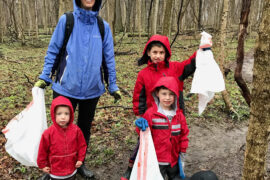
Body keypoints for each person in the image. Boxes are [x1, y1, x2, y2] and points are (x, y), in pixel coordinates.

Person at [35, 0, 121, 178]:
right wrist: (45, 76)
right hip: (66, 87)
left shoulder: (102, 27)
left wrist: (112, 84)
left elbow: (109, 58)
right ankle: (52, 167)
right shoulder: (66, 21)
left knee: (83, 130)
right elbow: (53, 50)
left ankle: (79, 163)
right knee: (59, 129)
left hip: (92, 90)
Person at [122, 34, 197, 179]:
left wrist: (201, 52)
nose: (158, 56)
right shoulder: (143, 74)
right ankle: (132, 166)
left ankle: (174, 167)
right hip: (151, 119)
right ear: (148, 52)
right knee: (143, 146)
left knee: (173, 143)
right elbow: (139, 97)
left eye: (161, 52)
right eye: (155, 52)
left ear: (166, 53)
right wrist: (139, 117)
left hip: (173, 116)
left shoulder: (175, 68)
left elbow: (189, 65)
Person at [135, 76, 189, 180]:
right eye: (164, 94)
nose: (167, 98)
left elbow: (184, 136)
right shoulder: (151, 114)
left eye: (171, 94)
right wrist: (140, 126)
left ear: (176, 96)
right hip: (156, 160)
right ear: (157, 94)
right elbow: (143, 134)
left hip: (173, 160)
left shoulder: (179, 116)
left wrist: (182, 156)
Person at [37, 96, 87, 180]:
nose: (63, 117)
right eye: (59, 113)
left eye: (66, 114)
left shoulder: (76, 130)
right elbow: (42, 150)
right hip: (55, 171)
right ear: (53, 114)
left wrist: (80, 159)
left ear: (71, 114)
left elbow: (82, 146)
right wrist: (42, 165)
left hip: (72, 169)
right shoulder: (48, 133)